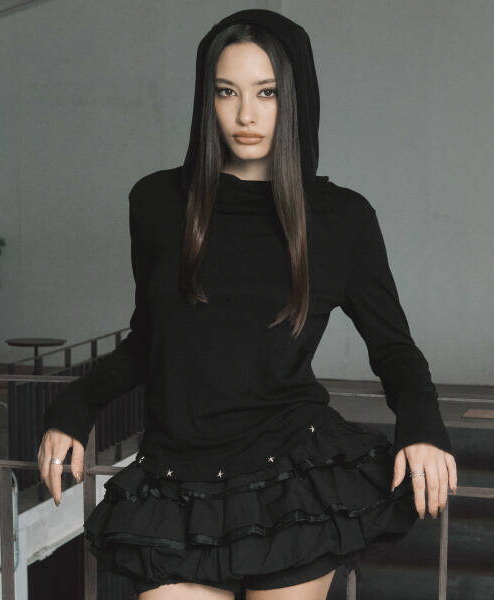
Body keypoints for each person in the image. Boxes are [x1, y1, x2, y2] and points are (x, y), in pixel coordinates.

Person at [37, 8, 458, 600]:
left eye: (266, 92)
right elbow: (151, 339)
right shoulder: (157, 203)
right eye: (226, 91)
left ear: (295, 98)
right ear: (206, 99)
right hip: (176, 480)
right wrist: (72, 407)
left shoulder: (341, 219)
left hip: (291, 474)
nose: (246, 115)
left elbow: (392, 347)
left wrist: (423, 425)